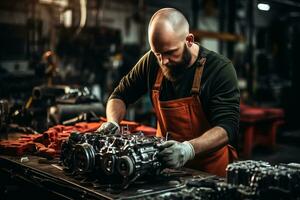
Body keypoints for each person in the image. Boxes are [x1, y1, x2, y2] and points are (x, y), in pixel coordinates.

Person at [98, 8, 240, 177]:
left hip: (208, 171)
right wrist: (113, 122)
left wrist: (188, 149)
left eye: (170, 53)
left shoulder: (219, 69)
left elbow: (227, 127)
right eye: (158, 54)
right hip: (164, 168)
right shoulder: (152, 61)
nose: (163, 61)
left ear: (188, 40)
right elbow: (120, 96)